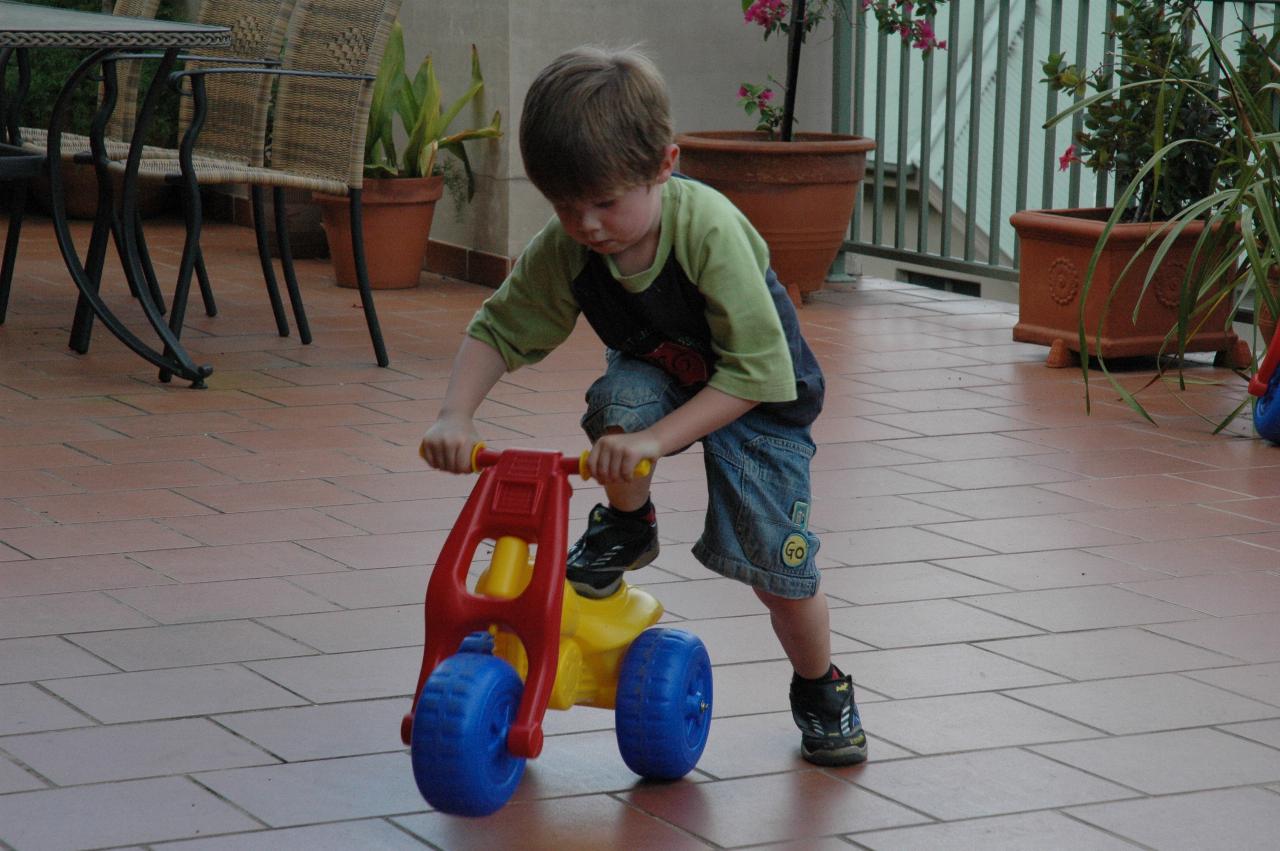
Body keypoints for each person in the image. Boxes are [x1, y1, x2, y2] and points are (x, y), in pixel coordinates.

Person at [419, 45, 866, 767]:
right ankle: (630, 523)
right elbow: (500, 326)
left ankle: (822, 685)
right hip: (664, 375)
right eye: (566, 206)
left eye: (604, 202)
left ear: (664, 164)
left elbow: (753, 374)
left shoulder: (708, 230)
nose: (588, 224)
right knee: (618, 408)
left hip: (758, 399)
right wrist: (455, 415)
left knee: (777, 575)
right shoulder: (566, 247)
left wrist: (659, 439)